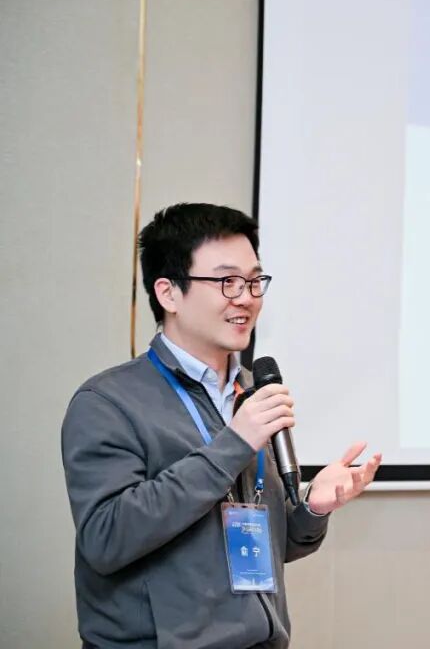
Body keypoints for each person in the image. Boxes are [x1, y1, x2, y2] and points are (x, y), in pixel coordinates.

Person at [61, 203, 381, 648]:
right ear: (169, 293)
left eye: (254, 280)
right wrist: (234, 443)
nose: (246, 297)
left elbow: (255, 543)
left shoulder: (250, 390)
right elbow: (107, 539)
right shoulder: (108, 402)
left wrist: (312, 509)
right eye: (227, 281)